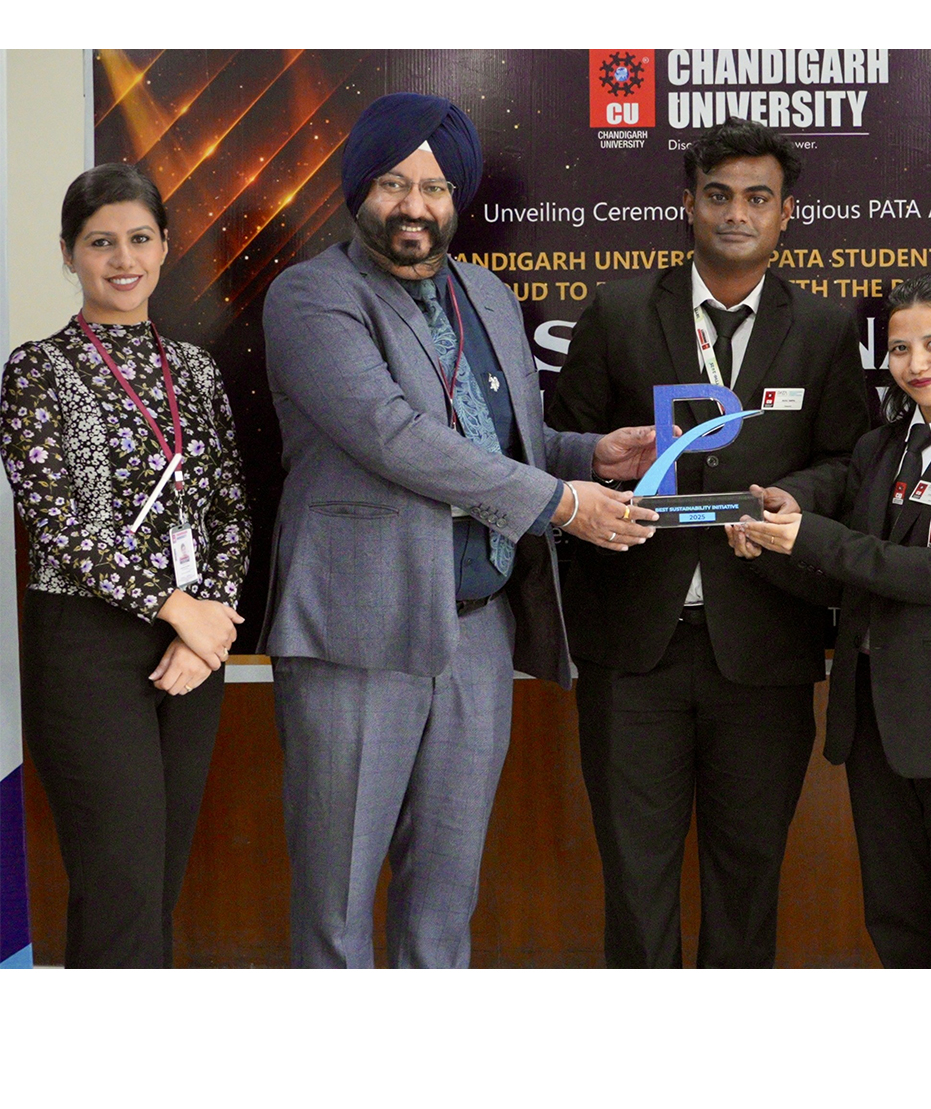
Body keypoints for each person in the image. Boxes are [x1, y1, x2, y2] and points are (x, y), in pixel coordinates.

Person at [259, 92, 660, 968]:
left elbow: (505, 436)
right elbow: (392, 434)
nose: (415, 205)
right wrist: (561, 504)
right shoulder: (311, 297)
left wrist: (592, 455)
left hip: (477, 634)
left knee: (446, 901)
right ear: (359, 190)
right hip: (358, 632)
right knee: (336, 904)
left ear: (458, 198)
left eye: (436, 187)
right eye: (395, 184)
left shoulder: (485, 291)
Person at [546, 118, 872, 967]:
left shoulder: (827, 329)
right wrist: (603, 478)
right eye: (719, 195)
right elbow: (561, 452)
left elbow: (849, 462)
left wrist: (789, 500)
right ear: (688, 204)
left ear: (785, 213)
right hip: (633, 647)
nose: (737, 213)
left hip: (765, 644)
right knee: (636, 879)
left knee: (748, 877)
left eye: (757, 198)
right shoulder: (619, 314)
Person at [733, 272, 931, 967]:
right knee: (895, 921)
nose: (917, 364)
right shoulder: (878, 448)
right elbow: (844, 579)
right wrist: (763, 549)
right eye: (900, 349)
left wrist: (805, 535)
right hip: (875, 725)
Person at [1, 163, 251, 967]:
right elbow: (58, 523)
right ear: (68, 254)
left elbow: (228, 510)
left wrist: (202, 628)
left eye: (139, 239)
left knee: (159, 878)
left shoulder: (197, 369)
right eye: (100, 242)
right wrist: (178, 607)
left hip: (191, 652)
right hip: (85, 646)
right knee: (120, 884)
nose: (122, 259)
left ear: (165, 246)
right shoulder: (35, 369)